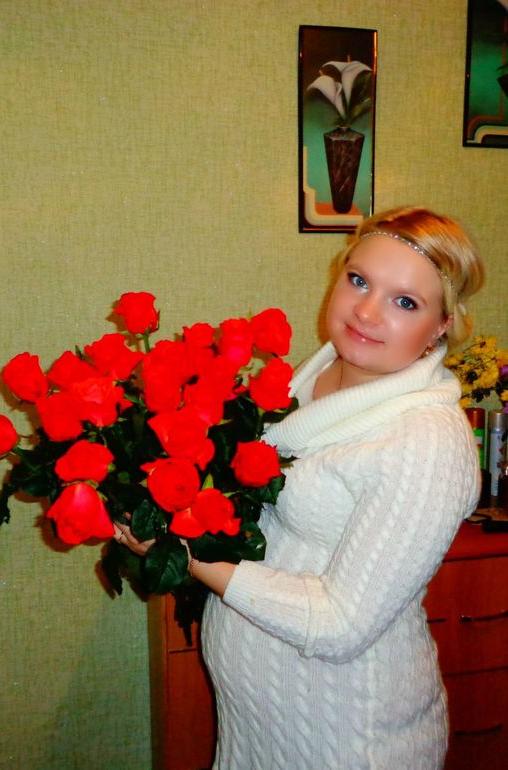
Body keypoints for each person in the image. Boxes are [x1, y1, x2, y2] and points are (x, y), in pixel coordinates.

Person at [115, 205, 485, 769]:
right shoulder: (313, 376)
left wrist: (186, 557)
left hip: (348, 736)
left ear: (442, 325)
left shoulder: (426, 442)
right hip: (259, 726)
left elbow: (341, 624)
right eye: (359, 280)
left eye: (405, 302)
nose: (366, 311)